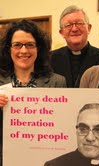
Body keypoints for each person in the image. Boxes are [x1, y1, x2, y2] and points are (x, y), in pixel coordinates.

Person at [0, 19, 66, 166]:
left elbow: (62, 126)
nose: (24, 51)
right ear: (8, 49)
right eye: (17, 45)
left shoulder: (58, 82)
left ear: (39, 49)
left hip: (44, 159)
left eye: (30, 45)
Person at [50, 5, 99, 87]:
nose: (74, 29)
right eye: (68, 25)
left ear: (89, 28)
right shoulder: (50, 59)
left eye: (79, 23)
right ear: (62, 33)